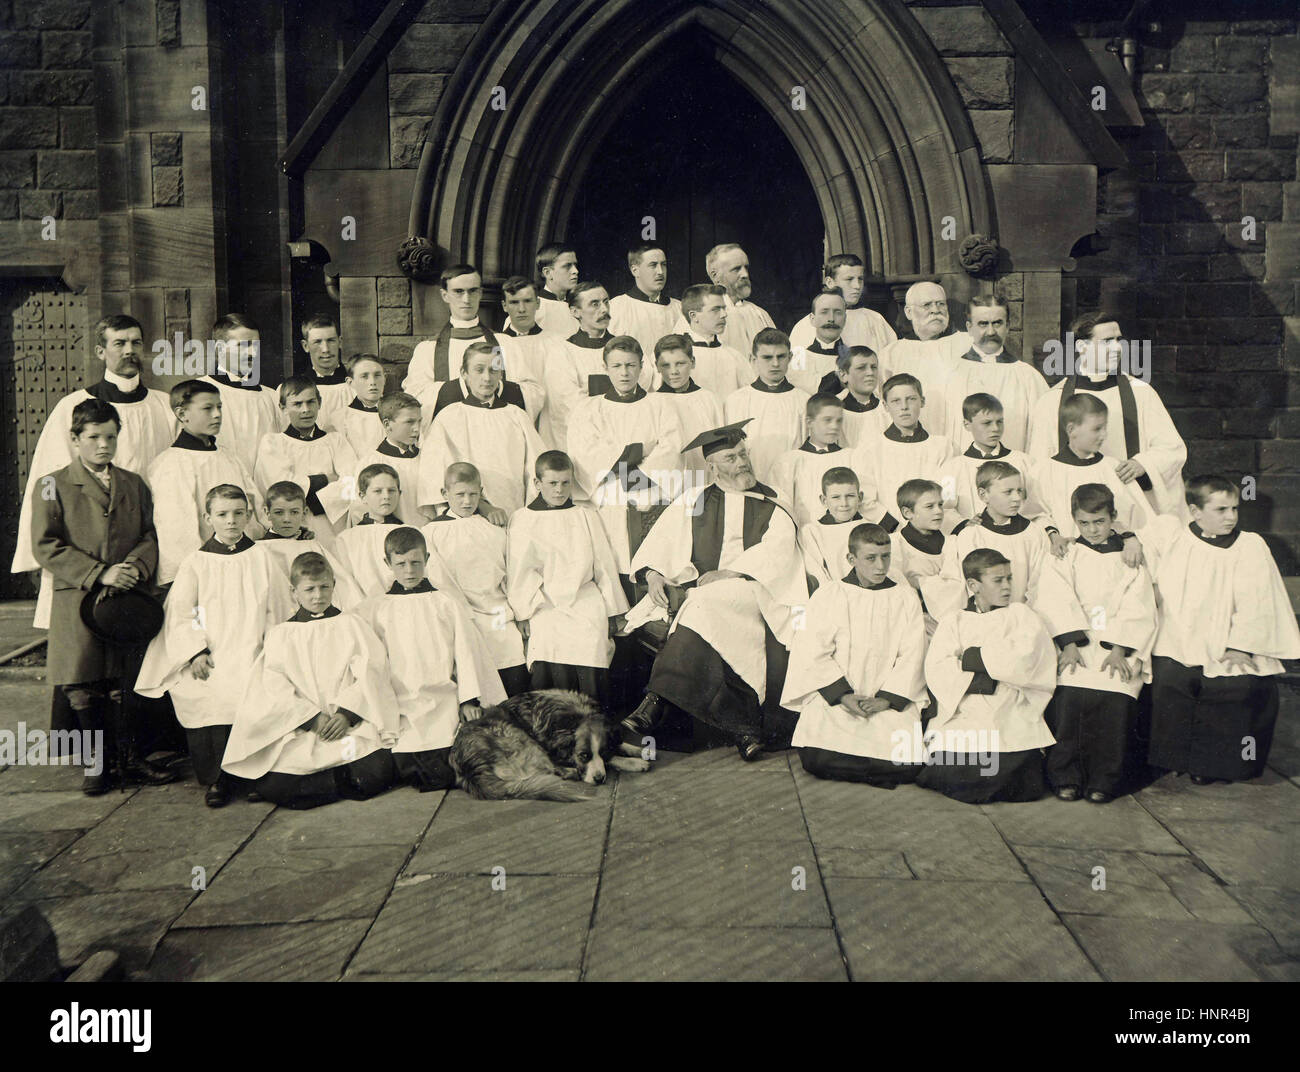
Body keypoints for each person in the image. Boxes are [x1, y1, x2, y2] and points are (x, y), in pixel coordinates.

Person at [623, 421, 808, 760]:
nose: (741, 463)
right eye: (730, 457)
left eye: (743, 454)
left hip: (756, 591)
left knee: (700, 604)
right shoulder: (695, 498)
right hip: (707, 595)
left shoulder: (772, 500)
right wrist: (652, 573)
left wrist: (733, 571)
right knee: (704, 609)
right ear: (712, 466)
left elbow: (780, 550)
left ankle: (656, 698)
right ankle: (744, 730)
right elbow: (662, 541)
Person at [30, 397, 175, 795]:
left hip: (125, 597)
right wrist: (99, 572)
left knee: (122, 677)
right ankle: (97, 765)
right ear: (75, 439)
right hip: (77, 597)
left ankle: (129, 758)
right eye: (93, 437)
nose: (103, 445)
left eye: (110, 436)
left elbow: (150, 534)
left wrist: (134, 567)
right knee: (83, 680)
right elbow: (46, 545)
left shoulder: (133, 483)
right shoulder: (52, 485)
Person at [134, 484, 293, 807]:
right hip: (212, 652)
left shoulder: (261, 556)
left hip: (253, 648)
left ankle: (251, 774)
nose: (231, 521)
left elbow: (277, 608)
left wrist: (272, 649)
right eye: (222, 515)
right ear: (208, 518)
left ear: (248, 515)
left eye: (238, 514)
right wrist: (195, 651)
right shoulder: (196, 562)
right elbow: (181, 612)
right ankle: (217, 778)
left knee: (255, 689)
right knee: (207, 692)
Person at [12, 314, 175, 630]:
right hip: (88, 540)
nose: (129, 350)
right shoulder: (73, 405)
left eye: (136, 342)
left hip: (145, 537)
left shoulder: (164, 406)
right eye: (119, 343)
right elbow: (48, 476)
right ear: (101, 352)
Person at [1143, 475, 1300, 784]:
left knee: (1236, 686)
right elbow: (1135, 539)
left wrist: (1240, 645)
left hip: (1232, 640)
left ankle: (1214, 766)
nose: (1231, 517)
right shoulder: (1174, 538)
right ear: (1195, 510)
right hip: (1180, 639)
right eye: (1221, 510)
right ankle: (1174, 759)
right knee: (1171, 681)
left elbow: (1258, 602)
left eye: (1235, 509)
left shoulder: (1251, 547)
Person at [222, 551, 399, 808]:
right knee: (277, 785)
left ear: (334, 586)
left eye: (324, 587)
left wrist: (346, 714)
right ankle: (340, 781)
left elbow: (372, 672)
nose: (318, 596)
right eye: (309, 589)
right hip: (303, 727)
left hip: (347, 725)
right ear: (294, 591)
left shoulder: (351, 624)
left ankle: (329, 782)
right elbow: (274, 685)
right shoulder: (281, 634)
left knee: (377, 771)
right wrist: (312, 719)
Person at [358, 526, 506, 791]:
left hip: (442, 703)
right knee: (395, 769)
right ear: (387, 563)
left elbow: (466, 651)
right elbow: (373, 664)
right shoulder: (377, 608)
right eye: (401, 564)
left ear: (427, 559)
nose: (410, 570)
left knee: (447, 771)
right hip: (400, 707)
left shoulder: (446, 603)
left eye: (416, 562)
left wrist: (468, 699)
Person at [1036, 484, 1158, 803]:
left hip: (1118, 644)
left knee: (1114, 699)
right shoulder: (1067, 554)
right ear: (1074, 520)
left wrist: (1119, 648)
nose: (1092, 530)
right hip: (1074, 642)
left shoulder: (1129, 557)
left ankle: (1105, 778)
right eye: (1084, 523)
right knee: (1069, 698)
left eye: (1099, 522)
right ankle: (1066, 775)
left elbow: (1139, 605)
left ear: (1113, 517)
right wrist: (1070, 643)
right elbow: (1055, 598)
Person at [783, 522, 928, 786]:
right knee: (817, 756)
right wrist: (843, 695)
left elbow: (913, 654)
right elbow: (810, 651)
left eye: (886, 557)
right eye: (870, 558)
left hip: (886, 696)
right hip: (840, 697)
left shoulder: (905, 597)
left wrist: (887, 699)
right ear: (851, 558)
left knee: (907, 762)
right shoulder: (829, 594)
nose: (880, 566)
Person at [917, 548, 1056, 803]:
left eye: (1009, 579)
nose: (1007, 587)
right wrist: (988, 676)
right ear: (974, 585)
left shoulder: (1021, 615)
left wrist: (970, 658)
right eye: (998, 580)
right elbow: (938, 667)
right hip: (965, 705)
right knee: (953, 767)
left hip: (1011, 704)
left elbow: (1025, 658)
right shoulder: (954, 620)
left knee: (1012, 766)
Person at [1027, 310, 1187, 518]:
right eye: (1106, 341)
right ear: (1081, 347)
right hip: (1077, 514)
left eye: (1118, 340)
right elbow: (1040, 465)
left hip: (1133, 509)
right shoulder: (1053, 401)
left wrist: (1143, 464)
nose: (1117, 348)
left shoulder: (1141, 393)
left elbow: (1172, 449)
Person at [506, 451, 629, 703]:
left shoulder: (586, 515)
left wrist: (613, 611)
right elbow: (520, 571)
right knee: (548, 639)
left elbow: (603, 565)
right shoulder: (523, 519)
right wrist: (525, 613)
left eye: (565, 483)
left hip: (585, 598)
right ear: (537, 484)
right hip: (544, 603)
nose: (560, 490)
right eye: (552, 483)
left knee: (591, 639)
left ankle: (590, 720)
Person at [567, 336, 684, 576]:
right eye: (617, 366)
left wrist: (635, 475)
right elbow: (586, 453)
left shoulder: (660, 404)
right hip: (608, 495)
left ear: (641, 366)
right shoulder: (588, 409)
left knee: (652, 560)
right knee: (612, 560)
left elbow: (671, 447)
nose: (624, 373)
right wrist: (639, 450)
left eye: (631, 365)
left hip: (650, 492)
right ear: (605, 368)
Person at [423, 462, 528, 696]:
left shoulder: (493, 528)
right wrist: (463, 616)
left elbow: (511, 572)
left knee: (513, 681)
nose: (467, 502)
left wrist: (520, 613)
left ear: (481, 493)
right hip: (463, 618)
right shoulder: (431, 532)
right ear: (444, 494)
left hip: (500, 615)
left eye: (473, 494)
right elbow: (441, 580)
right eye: (459, 495)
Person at [148, 380, 263, 585]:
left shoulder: (229, 457)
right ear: (182, 414)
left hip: (243, 563)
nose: (217, 414)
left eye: (219, 407)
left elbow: (255, 511)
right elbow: (177, 533)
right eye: (207, 408)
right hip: (204, 573)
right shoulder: (172, 464)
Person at [418, 341, 545, 517]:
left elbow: (534, 468)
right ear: (464, 373)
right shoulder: (448, 418)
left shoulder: (517, 416)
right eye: (479, 370)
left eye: (493, 370)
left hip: (513, 512)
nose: (487, 378)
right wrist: (482, 506)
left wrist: (527, 515)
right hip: (465, 516)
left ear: (501, 373)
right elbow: (435, 472)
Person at [403, 264, 538, 421]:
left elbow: (534, 393)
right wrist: (462, 387)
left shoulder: (502, 344)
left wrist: (497, 387)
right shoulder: (429, 349)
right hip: (452, 432)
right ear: (445, 295)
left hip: (498, 429)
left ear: (480, 293)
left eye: (473, 291)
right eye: (458, 292)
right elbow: (415, 398)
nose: (466, 299)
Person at [931, 295, 1047, 452]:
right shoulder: (950, 374)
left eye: (997, 323)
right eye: (983, 324)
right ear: (969, 327)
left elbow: (1041, 437)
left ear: (1008, 326)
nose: (991, 331)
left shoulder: (1028, 377)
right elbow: (937, 431)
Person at [254, 376, 359, 549]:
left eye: (311, 402)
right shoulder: (273, 443)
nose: (306, 410)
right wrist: (325, 480)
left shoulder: (335, 440)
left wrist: (317, 497)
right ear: (283, 408)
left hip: (332, 525)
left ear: (319, 402)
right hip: (291, 526)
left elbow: (351, 482)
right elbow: (280, 486)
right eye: (297, 404)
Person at [1032, 392, 1150, 540]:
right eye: (1097, 429)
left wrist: (1131, 538)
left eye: (1105, 428)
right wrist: (1052, 535)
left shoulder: (1114, 468)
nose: (1104, 435)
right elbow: (1034, 515)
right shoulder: (1043, 471)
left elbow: (1138, 518)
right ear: (1071, 430)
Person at [853, 372, 954, 532]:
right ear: (885, 406)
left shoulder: (943, 447)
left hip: (935, 531)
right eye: (896, 401)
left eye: (911, 399)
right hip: (890, 532)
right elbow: (864, 499)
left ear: (922, 401)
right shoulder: (871, 449)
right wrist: (895, 527)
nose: (904, 407)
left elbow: (949, 495)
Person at [936, 393, 1041, 533]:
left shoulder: (1024, 461)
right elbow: (945, 507)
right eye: (987, 423)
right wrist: (964, 524)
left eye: (999, 422)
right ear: (967, 424)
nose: (995, 429)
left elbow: (1038, 507)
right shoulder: (952, 468)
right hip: (973, 540)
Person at [880, 281, 972, 435]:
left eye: (941, 304)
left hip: (960, 434)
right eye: (927, 305)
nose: (936, 310)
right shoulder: (891, 354)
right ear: (908, 312)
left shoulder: (967, 344)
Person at [723, 327, 810, 484]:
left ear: (790, 357)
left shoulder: (804, 400)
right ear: (753, 359)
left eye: (781, 357)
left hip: (793, 481)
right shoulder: (736, 400)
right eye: (767, 357)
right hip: (750, 482)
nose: (775, 364)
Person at [259, 481, 364, 610]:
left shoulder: (311, 545)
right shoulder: (261, 549)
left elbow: (342, 585)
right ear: (267, 512)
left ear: (304, 513)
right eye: (279, 512)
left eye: (294, 512)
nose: (287, 519)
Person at [205, 313, 280, 477]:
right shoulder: (200, 392)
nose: (252, 353)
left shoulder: (271, 397)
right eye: (243, 345)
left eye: (255, 345)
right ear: (219, 349)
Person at [544, 281, 614, 452]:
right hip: (581, 442)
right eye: (595, 304)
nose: (604, 309)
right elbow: (569, 402)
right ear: (575, 312)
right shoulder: (562, 352)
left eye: (606, 302)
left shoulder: (625, 348)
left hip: (619, 437)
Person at [768, 394, 856, 528]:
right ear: (809, 422)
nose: (834, 426)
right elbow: (781, 507)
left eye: (839, 421)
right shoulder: (788, 461)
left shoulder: (850, 457)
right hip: (804, 537)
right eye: (827, 420)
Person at [673, 243, 775, 356]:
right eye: (736, 269)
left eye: (746, 267)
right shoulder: (698, 316)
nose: (745, 274)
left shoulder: (760, 314)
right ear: (715, 275)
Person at [788, 253, 897, 355]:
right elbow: (798, 367)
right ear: (830, 282)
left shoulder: (875, 320)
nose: (857, 286)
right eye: (849, 279)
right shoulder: (808, 325)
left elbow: (890, 362)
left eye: (860, 279)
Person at [349, 392, 430, 526]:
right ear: (387, 424)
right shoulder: (370, 462)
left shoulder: (427, 457)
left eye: (419, 421)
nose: (417, 429)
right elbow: (358, 508)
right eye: (409, 422)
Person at [652, 334, 725, 484]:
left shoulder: (709, 399)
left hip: (706, 479)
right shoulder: (652, 403)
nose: (673, 371)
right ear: (657, 366)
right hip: (668, 483)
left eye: (680, 363)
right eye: (666, 365)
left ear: (692, 362)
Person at [609, 242, 681, 386]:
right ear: (635, 270)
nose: (660, 271)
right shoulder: (616, 307)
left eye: (664, 264)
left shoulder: (678, 308)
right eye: (653, 265)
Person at [889, 478, 948, 638]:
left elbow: (956, 586)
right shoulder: (895, 544)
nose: (938, 511)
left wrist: (920, 582)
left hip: (948, 619)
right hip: (915, 623)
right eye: (930, 506)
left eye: (940, 505)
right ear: (908, 512)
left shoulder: (952, 543)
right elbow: (901, 590)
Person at [798, 466, 873, 591]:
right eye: (836, 497)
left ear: (860, 497)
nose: (844, 503)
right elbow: (817, 572)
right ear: (824, 500)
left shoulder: (871, 528)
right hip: (833, 595)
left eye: (850, 496)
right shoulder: (812, 532)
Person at [493, 275, 555, 425]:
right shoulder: (495, 345)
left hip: (549, 419)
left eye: (527, 301)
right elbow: (495, 383)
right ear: (504, 306)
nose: (522, 309)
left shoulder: (555, 343)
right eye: (514, 302)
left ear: (538, 303)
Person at [676, 283, 753, 397]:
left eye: (724, 308)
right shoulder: (675, 356)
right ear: (693, 316)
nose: (724, 314)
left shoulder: (735, 357)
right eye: (715, 310)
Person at [323, 353, 386, 460]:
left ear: (385, 379)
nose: (372, 382)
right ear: (350, 382)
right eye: (364, 376)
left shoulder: (396, 415)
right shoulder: (339, 419)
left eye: (377, 375)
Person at [787, 288, 850, 396]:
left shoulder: (854, 357)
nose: (831, 319)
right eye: (824, 312)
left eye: (838, 312)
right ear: (812, 319)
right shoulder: (798, 357)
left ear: (845, 319)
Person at [297, 312, 351, 431]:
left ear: (340, 342)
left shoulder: (356, 389)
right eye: (317, 342)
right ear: (305, 346)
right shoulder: (294, 390)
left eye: (331, 340)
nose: (325, 349)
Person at [834, 346, 889, 448]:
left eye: (873, 367)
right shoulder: (834, 410)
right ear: (843, 375)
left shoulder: (886, 409)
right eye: (861, 368)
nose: (870, 373)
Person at [534, 241, 580, 336]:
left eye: (575, 265)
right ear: (547, 273)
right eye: (567, 266)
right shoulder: (534, 309)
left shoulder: (577, 307)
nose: (576, 271)